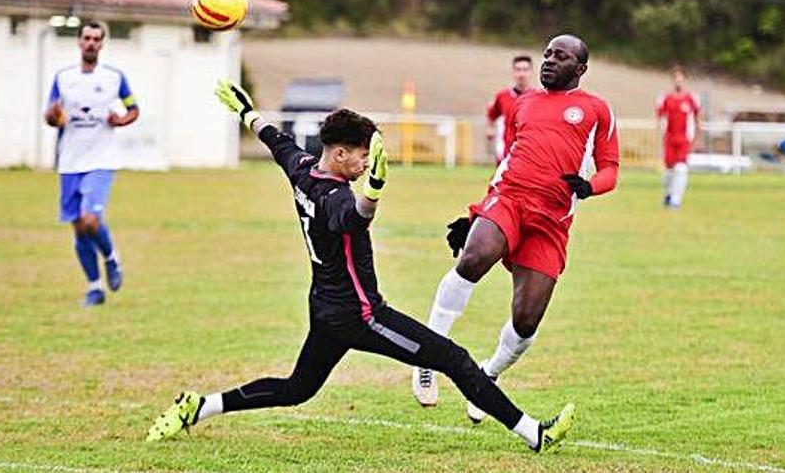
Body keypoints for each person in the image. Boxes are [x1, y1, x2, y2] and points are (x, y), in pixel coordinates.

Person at [146, 79, 576, 454]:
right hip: (362, 315)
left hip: (326, 307)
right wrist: (373, 189)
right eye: (361, 156)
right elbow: (352, 217)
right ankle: (534, 433)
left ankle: (201, 406)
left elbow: (276, 141)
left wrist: (247, 112)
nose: (366, 162)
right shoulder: (335, 197)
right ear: (339, 154)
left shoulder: (302, 168)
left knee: (298, 389)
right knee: (456, 359)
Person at [412, 34, 619, 424]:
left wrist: (590, 186)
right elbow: (510, 160)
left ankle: (487, 377)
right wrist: (478, 215)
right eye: (547, 55)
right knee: (472, 260)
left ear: (580, 68)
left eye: (561, 57)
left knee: (525, 322)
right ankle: (427, 356)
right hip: (509, 200)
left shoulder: (597, 110)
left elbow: (611, 168)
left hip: (551, 223)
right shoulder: (523, 104)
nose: (549, 61)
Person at [44, 21, 139, 308]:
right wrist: (54, 115)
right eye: (86, 38)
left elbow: (133, 108)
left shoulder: (114, 77)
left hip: (102, 159)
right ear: (78, 42)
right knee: (78, 228)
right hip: (70, 161)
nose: (91, 43)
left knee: (90, 219)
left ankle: (111, 257)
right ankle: (94, 288)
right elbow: (50, 116)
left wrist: (120, 119)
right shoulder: (63, 77)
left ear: (102, 44)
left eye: (96, 39)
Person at [656, 66, 701, 209]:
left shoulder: (691, 98)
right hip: (669, 140)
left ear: (684, 80)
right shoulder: (666, 98)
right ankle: (668, 194)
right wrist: (659, 135)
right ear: (673, 81)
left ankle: (676, 200)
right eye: (676, 79)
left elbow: (697, 119)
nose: (678, 82)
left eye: (681, 79)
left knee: (681, 169)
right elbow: (659, 118)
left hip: (684, 140)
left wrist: (697, 138)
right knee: (668, 170)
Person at [485, 55, 535, 166]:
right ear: (513, 72)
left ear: (531, 72)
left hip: (529, 151)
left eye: (525, 70)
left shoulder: (537, 97)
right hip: (506, 151)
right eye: (518, 70)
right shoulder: (502, 96)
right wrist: (490, 129)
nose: (521, 74)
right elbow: (491, 114)